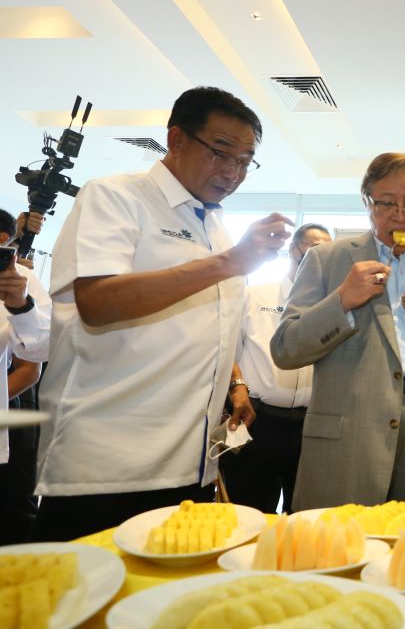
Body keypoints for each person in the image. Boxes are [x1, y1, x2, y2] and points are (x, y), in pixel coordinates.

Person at [34, 87, 291, 541]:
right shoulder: (116, 197)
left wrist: (234, 382)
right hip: (108, 466)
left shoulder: (211, 224)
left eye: (245, 160)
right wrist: (230, 262)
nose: (233, 172)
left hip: (191, 467)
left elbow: (208, 324)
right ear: (176, 139)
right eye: (221, 152)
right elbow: (97, 302)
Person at [271, 153, 405, 512]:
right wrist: (342, 300)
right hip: (353, 429)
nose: (400, 214)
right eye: (386, 202)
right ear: (366, 202)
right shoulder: (327, 260)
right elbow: (285, 348)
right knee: (341, 548)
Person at [222, 223, 333, 513]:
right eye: (309, 255)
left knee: (307, 516)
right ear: (292, 252)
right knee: (248, 512)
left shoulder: (334, 307)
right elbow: (227, 351)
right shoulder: (255, 296)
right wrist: (238, 388)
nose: (316, 265)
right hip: (258, 420)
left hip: (311, 427)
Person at [0, 208, 50, 545]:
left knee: (12, 514)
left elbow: (38, 352)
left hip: (11, 410)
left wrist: (19, 303)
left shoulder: (19, 279)